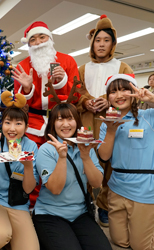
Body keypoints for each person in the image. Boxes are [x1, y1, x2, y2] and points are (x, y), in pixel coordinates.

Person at [13, 21, 81, 208]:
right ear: (28, 45)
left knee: (61, 161)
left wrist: (61, 81)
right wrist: (26, 88)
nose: (38, 42)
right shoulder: (23, 66)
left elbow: (75, 97)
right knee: (29, 162)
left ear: (49, 39)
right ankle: (31, 204)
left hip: (62, 121)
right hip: (33, 122)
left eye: (42, 37)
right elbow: (17, 102)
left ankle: (59, 202)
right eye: (32, 39)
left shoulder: (67, 61)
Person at [76, 15, 133, 226]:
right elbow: (77, 92)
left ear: (113, 43)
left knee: (110, 163)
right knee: (86, 159)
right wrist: (86, 102)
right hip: (87, 121)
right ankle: (85, 201)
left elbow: (130, 94)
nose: (101, 44)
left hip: (112, 121)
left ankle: (105, 205)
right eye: (97, 40)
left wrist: (105, 101)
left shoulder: (122, 67)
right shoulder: (82, 68)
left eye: (106, 40)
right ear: (92, 43)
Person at [32, 102, 112, 250]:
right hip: (50, 214)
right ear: (52, 124)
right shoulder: (46, 150)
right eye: (60, 119)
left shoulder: (86, 146)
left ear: (77, 122)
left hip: (80, 213)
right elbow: (55, 189)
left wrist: (85, 156)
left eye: (70, 119)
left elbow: (96, 183)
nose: (65, 124)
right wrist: (62, 157)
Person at [97, 74, 154, 250]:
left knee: (140, 246)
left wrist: (151, 99)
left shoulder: (148, 116)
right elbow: (104, 157)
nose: (119, 95)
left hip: (144, 188)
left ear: (133, 92)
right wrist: (111, 131)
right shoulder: (106, 123)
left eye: (124, 89)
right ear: (108, 98)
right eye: (113, 92)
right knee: (119, 241)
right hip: (117, 187)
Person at [0, 91, 40, 250]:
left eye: (18, 123)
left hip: (19, 203)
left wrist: (28, 166)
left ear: (26, 126)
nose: (12, 129)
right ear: (2, 124)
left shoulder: (31, 146)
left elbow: (28, 188)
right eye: (8, 122)